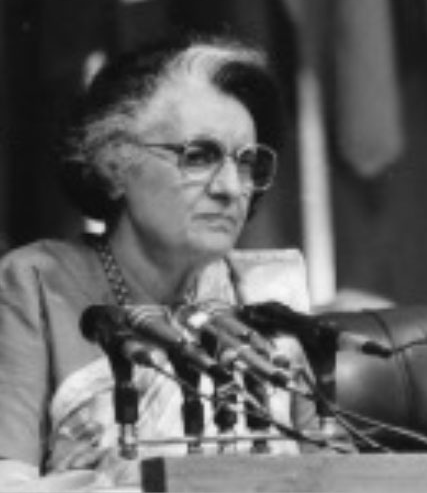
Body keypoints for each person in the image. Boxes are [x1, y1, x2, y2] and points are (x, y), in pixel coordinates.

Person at [0, 34, 324, 486]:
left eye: (247, 162)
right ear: (114, 165)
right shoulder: (38, 285)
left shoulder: (266, 292)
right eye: (199, 156)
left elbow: (337, 477)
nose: (231, 187)